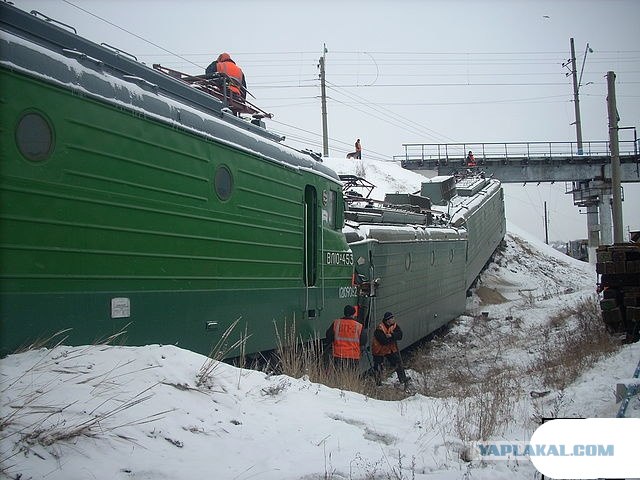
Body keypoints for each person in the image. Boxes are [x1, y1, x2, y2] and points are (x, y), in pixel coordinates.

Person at [372, 311, 409, 386]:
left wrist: (391, 335)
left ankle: (403, 379)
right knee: (378, 367)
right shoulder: (380, 328)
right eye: (392, 318)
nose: (393, 319)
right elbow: (383, 341)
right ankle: (378, 383)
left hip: (389, 349)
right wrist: (394, 337)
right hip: (379, 351)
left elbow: (400, 335)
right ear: (387, 320)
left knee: (398, 363)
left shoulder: (394, 326)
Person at [325, 305, 366, 369]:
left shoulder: (336, 323)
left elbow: (328, 336)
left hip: (338, 355)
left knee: (339, 375)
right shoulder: (359, 326)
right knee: (351, 376)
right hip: (353, 356)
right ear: (353, 314)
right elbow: (363, 341)